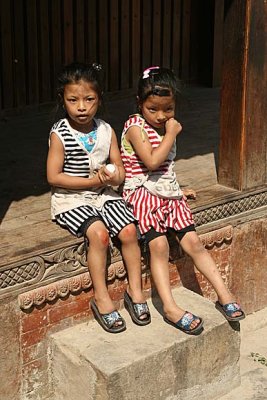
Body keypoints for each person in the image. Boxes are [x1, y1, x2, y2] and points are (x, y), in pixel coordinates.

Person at [120, 66, 245, 335]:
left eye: (168, 109)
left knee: (193, 242)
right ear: (139, 104)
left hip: (168, 194)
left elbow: (165, 167)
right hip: (142, 194)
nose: (161, 115)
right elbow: (152, 161)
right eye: (153, 109)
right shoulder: (135, 127)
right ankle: (169, 306)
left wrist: (177, 188)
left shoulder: (163, 125)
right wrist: (172, 134)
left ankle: (224, 294)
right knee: (160, 245)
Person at [47, 62, 150, 333]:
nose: (82, 107)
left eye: (89, 99)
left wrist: (114, 176)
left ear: (99, 99)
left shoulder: (106, 130)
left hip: (103, 194)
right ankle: (102, 298)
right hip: (71, 198)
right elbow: (54, 176)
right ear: (63, 100)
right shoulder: (61, 134)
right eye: (73, 100)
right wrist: (92, 180)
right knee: (99, 235)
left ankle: (136, 291)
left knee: (129, 230)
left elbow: (120, 168)